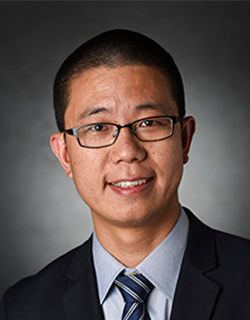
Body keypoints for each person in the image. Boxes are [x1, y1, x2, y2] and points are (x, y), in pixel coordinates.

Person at [1, 29, 250, 320]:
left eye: (149, 122)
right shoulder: (22, 308)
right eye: (98, 127)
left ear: (184, 139)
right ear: (65, 155)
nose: (127, 151)